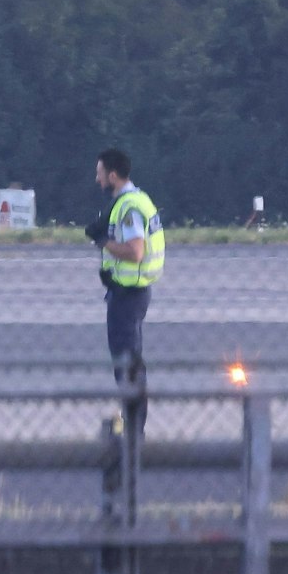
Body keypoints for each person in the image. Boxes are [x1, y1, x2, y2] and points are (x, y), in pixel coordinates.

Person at [88, 148, 164, 436]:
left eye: (99, 174)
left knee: (127, 363)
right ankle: (132, 420)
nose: (97, 180)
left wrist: (102, 241)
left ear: (112, 175)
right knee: (130, 361)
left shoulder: (130, 207)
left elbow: (134, 251)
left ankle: (134, 427)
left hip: (128, 295)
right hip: (130, 292)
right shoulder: (137, 199)